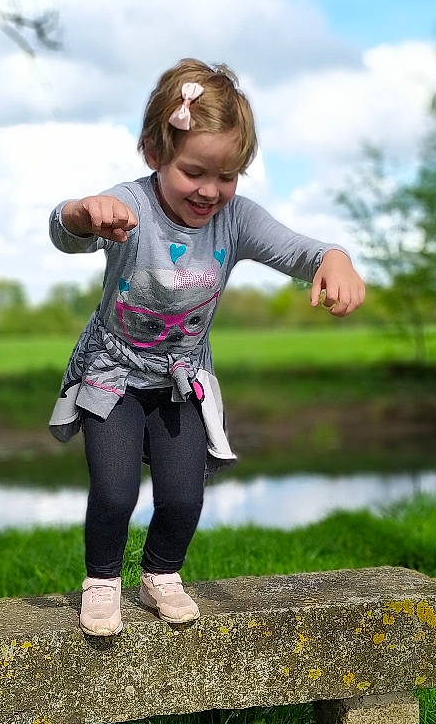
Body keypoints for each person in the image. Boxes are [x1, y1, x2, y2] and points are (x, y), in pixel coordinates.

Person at [48, 57, 366, 636]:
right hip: (113, 376)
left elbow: (300, 250)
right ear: (154, 152)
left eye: (228, 176)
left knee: (183, 496)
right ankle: (102, 581)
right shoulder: (129, 205)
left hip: (181, 379)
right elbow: (64, 232)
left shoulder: (234, 219)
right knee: (115, 492)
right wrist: (81, 213)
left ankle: (160, 574)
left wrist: (334, 258)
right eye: (195, 172)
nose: (211, 192)